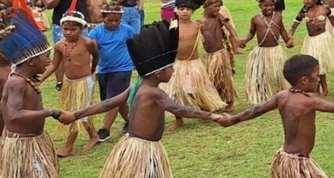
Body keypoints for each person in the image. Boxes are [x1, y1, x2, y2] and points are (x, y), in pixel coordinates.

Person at [68, 22, 230, 178]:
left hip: (136, 146)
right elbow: (179, 109)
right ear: (158, 73)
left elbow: (108, 103)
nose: (173, 71)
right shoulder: (154, 93)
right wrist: (212, 116)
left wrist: (75, 115)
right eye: (169, 68)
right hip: (142, 149)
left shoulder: (136, 87)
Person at [224, 54, 334, 177]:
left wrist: (233, 120)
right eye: (316, 76)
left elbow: (257, 110)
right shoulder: (309, 102)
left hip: (285, 157)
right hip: (298, 162)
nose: (319, 79)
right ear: (304, 80)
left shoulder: (282, 96)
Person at [0, 0, 71, 177]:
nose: (49, 61)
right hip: (23, 146)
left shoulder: (25, 78)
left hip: (33, 141)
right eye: (45, 57)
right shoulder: (16, 83)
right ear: (31, 61)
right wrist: (51, 112)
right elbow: (13, 115)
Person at [40, 0, 100, 157]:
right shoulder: (59, 45)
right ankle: (94, 136)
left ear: (81, 28)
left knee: (76, 112)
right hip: (69, 83)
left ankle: (68, 146)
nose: (68, 32)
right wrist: (39, 80)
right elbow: (53, 65)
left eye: (73, 29)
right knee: (81, 111)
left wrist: (93, 70)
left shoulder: (87, 43)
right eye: (65, 29)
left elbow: (96, 56)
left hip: (84, 83)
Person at [164, 0, 226, 128]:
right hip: (178, 64)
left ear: (193, 11)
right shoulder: (172, 26)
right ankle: (178, 119)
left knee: (200, 90)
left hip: (195, 64)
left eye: (188, 9)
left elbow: (213, 38)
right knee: (176, 93)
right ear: (176, 10)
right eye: (181, 8)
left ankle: (205, 113)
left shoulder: (198, 26)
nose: (185, 11)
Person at [88, 3, 137, 143]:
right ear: (103, 18)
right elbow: (91, 48)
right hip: (104, 69)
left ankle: (105, 130)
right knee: (112, 100)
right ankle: (130, 120)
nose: (113, 23)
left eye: (117, 20)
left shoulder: (127, 30)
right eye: (109, 20)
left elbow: (135, 45)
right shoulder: (96, 32)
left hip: (123, 68)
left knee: (113, 98)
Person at [288, 0, 334, 96]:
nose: (306, 1)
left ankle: (325, 89)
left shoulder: (325, 8)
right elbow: (293, 25)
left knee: (320, 65)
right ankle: (316, 90)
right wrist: (290, 37)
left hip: (322, 39)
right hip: (311, 41)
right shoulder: (303, 11)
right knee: (312, 66)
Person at [241, 0, 295, 104]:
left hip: (276, 51)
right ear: (260, 6)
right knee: (262, 75)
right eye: (265, 5)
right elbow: (251, 33)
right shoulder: (256, 19)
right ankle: (263, 96)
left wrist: (287, 41)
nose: (269, 7)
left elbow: (282, 31)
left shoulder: (278, 16)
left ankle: (279, 95)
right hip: (261, 52)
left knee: (277, 75)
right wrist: (244, 41)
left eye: (271, 5)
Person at [199, 0, 241, 109]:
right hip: (209, 56)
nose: (218, 9)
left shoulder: (218, 17)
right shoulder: (200, 21)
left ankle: (229, 100)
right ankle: (213, 101)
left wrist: (236, 38)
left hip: (220, 54)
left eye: (219, 6)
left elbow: (230, 27)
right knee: (210, 79)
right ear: (206, 7)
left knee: (224, 79)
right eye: (215, 7)